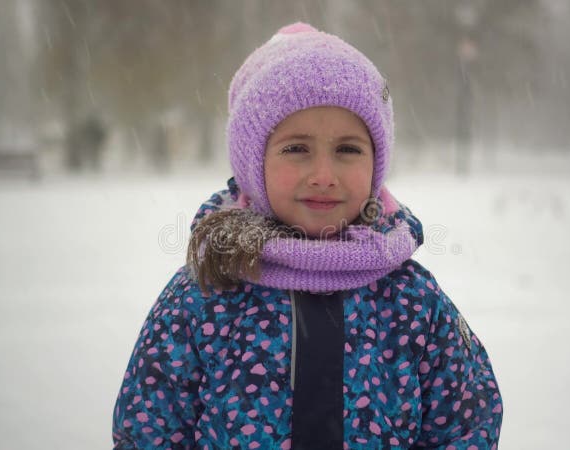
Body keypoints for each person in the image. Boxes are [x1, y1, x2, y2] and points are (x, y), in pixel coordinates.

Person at [112, 22, 502, 449]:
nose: (323, 176)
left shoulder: (411, 300)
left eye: (347, 150)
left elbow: (466, 423)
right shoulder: (205, 293)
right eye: (296, 149)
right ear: (252, 165)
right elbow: (147, 431)